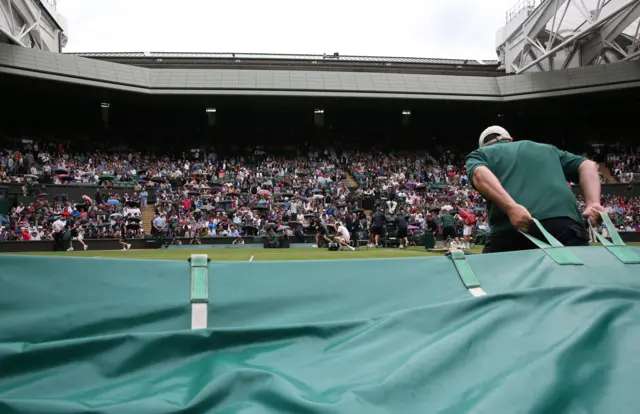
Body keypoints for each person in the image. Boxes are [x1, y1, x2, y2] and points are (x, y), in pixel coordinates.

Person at [465, 125, 604, 254]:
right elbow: (588, 165)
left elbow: (479, 174)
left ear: (482, 147)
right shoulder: (548, 149)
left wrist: (511, 208)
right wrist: (593, 203)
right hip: (566, 226)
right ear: (511, 140)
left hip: (512, 229)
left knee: (489, 278)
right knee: (576, 278)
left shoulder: (479, 154)